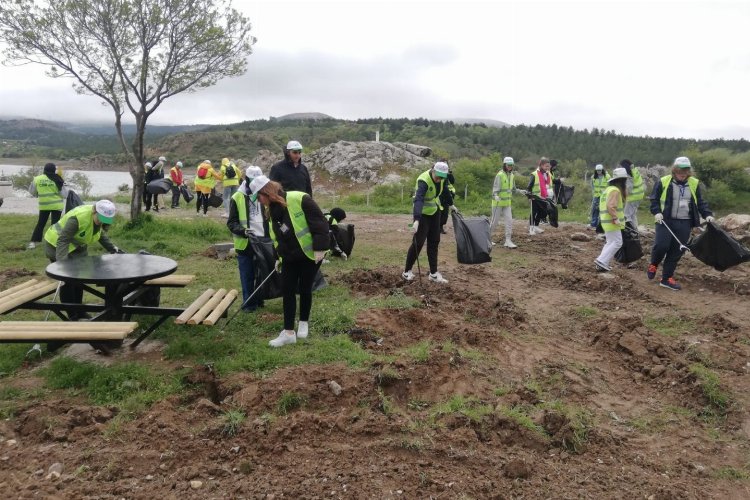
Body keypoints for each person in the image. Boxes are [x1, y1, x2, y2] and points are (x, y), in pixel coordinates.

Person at [249, 176, 329, 347]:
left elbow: (320, 223)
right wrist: (277, 256)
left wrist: (320, 248)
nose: (259, 201)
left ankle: (303, 322)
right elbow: (276, 237)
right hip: (289, 257)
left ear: (266, 192)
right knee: (288, 290)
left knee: (305, 288)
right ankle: (288, 332)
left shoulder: (299, 199)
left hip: (310, 255)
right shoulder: (271, 211)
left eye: (258, 197)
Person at [43, 200, 121, 320]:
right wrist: (62, 264)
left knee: (80, 279)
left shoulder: (100, 219)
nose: (102, 222)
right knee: (68, 280)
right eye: (101, 218)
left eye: (106, 219)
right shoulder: (78, 218)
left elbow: (99, 234)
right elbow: (63, 240)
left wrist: (113, 249)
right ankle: (72, 315)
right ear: (94, 211)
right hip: (56, 245)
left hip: (76, 246)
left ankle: (80, 311)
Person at [647, 156, 714, 291]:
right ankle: (654, 263)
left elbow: (700, 202)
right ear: (675, 169)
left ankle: (666, 279)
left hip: (685, 222)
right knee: (661, 246)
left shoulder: (694, 183)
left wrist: (707, 214)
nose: (683, 173)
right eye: (680, 170)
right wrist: (656, 212)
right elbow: (654, 199)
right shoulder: (663, 181)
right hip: (665, 220)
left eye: (686, 170)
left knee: (677, 250)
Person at [402, 161, 452, 284]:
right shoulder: (423, 180)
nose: (439, 179)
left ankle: (433, 274)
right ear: (433, 170)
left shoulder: (442, 179)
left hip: (435, 212)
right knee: (418, 243)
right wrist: (416, 220)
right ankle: (406, 272)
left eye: (442, 177)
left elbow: (445, 190)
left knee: (434, 242)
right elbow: (418, 199)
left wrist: (452, 204)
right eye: (438, 176)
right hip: (422, 215)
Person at [227, 166, 267, 312]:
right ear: (246, 179)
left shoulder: (264, 193)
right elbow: (231, 222)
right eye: (253, 180)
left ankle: (260, 299)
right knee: (247, 275)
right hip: (245, 243)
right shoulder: (237, 197)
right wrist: (243, 231)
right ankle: (249, 304)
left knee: (261, 273)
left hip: (263, 241)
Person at [593, 167, 628, 272]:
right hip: (612, 221)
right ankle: (602, 261)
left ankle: (602, 263)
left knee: (610, 242)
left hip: (606, 221)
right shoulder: (615, 190)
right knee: (617, 242)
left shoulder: (607, 190)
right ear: (622, 180)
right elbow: (611, 206)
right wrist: (615, 218)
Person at [28, 162, 65, 249]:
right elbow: (64, 195)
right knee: (55, 225)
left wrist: (38, 193)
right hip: (57, 206)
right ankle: (54, 243)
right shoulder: (58, 179)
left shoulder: (37, 179)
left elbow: (31, 191)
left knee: (41, 223)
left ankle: (33, 243)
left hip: (44, 206)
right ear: (54, 170)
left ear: (44, 170)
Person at [490, 156, 522, 248]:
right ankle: (487, 238)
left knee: (509, 221)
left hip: (507, 204)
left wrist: (520, 191)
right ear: (505, 165)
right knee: (494, 222)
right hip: (497, 204)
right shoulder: (499, 175)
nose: (510, 167)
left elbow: (514, 189)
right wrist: (495, 196)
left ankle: (508, 240)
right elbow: (495, 190)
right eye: (508, 165)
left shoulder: (512, 175)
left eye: (511, 165)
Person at [526, 157, 553, 234]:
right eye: (546, 166)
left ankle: (536, 226)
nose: (548, 168)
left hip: (544, 197)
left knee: (543, 212)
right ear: (541, 165)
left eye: (548, 166)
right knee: (534, 212)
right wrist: (529, 197)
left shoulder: (548, 174)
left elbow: (549, 184)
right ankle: (531, 228)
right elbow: (529, 187)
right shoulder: (534, 174)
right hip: (535, 197)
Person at [621, 159, 644, 229]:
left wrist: (624, 197)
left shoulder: (629, 174)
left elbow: (629, 188)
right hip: (639, 195)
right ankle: (635, 229)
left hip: (633, 197)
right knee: (633, 214)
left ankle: (630, 230)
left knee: (626, 215)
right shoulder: (635, 170)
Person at [590, 164, 610, 228]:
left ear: (602, 170)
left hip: (604, 196)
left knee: (603, 210)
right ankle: (593, 224)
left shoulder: (607, 176)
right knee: (594, 210)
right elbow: (592, 185)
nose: (599, 172)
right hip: (596, 196)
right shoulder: (593, 177)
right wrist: (594, 192)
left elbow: (610, 185)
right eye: (597, 170)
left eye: (600, 170)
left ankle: (601, 224)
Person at [438, 165, 456, 234]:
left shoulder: (446, 175)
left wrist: (450, 174)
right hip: (439, 197)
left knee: (445, 214)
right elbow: (444, 189)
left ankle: (441, 227)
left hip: (446, 197)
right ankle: (437, 228)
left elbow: (452, 181)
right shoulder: (439, 175)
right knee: (439, 213)